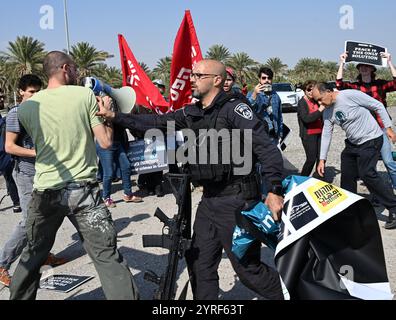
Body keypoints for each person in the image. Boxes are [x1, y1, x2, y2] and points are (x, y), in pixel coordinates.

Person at [98, 59, 285, 300]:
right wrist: (115, 116)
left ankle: (292, 294)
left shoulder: (235, 110)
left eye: (198, 75)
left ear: (216, 80)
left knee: (247, 269)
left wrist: (274, 190)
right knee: (199, 262)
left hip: (237, 201)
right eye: (192, 74)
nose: (192, 79)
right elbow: (155, 123)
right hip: (209, 202)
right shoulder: (192, 112)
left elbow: (266, 149)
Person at [9, 51, 139, 300]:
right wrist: (107, 114)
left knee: (34, 253)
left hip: (46, 190)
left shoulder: (26, 108)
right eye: (76, 69)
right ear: (66, 68)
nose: (78, 74)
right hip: (83, 192)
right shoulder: (84, 95)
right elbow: (105, 141)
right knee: (106, 256)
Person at [0, 75, 69, 287]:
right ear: (21, 92)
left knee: (47, 217)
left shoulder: (41, 110)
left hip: (45, 172)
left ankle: (42, 254)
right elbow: (9, 147)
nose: (35, 95)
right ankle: (2, 263)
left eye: (38, 91)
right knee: (28, 221)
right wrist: (36, 152)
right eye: (31, 91)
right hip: (26, 174)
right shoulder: (15, 113)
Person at [313, 82, 396, 230]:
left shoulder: (349, 95)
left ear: (329, 92)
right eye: (316, 101)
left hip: (371, 139)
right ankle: (350, 212)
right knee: (347, 176)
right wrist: (322, 159)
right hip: (353, 144)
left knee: (367, 174)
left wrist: (388, 128)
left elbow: (377, 105)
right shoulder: (327, 111)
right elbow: (326, 133)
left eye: (320, 99)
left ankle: (394, 207)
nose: (319, 103)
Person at [336, 52, 396, 197]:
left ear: (372, 69)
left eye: (366, 66)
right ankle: (377, 196)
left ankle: (394, 187)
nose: (363, 68)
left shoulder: (380, 84)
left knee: (388, 161)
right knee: (370, 167)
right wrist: (342, 62)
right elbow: (339, 84)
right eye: (361, 66)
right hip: (365, 130)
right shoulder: (355, 87)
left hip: (381, 127)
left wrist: (389, 62)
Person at [247, 67, 283, 143]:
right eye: (264, 78)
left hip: (273, 136)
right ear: (259, 79)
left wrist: (280, 133)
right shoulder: (252, 94)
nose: (266, 80)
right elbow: (247, 111)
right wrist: (255, 94)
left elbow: (279, 116)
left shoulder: (275, 95)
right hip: (259, 135)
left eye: (269, 78)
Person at [297, 80, 325, 178]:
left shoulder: (316, 100)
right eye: (309, 89)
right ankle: (302, 180)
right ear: (304, 90)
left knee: (321, 158)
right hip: (309, 135)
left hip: (320, 133)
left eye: (313, 90)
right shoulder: (302, 103)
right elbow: (306, 119)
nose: (311, 92)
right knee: (311, 159)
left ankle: (318, 179)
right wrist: (320, 110)